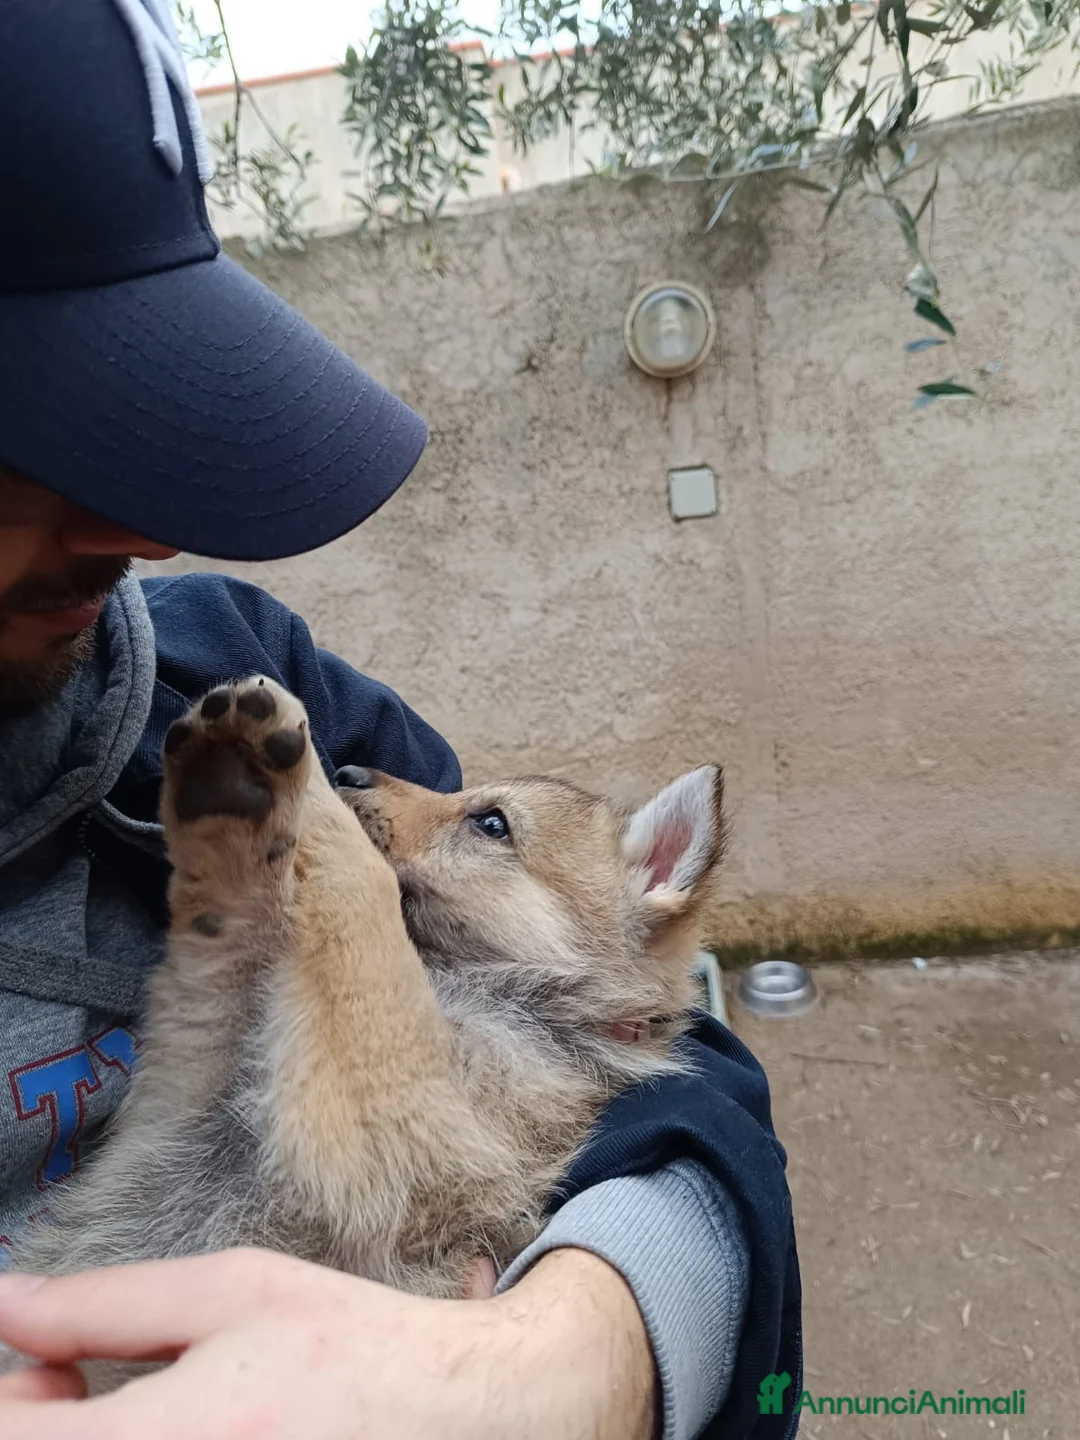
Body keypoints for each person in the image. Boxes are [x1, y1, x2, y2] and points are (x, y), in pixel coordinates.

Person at [0, 3, 802, 1438]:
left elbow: (692, 1076)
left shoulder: (223, 672)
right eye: (21, 439)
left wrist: (571, 1358)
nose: (145, 534)